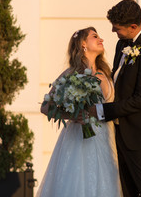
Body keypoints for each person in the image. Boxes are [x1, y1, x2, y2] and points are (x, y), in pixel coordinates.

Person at [91, 0, 141, 197]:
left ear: (133, 27)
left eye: (117, 29)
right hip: (119, 134)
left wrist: (100, 112)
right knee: (125, 193)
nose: (115, 33)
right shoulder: (121, 45)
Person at [37, 27, 122, 197]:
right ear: (83, 44)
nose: (101, 40)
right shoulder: (71, 74)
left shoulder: (107, 74)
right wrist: (73, 115)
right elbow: (45, 107)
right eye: (95, 36)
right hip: (79, 141)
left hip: (107, 138)